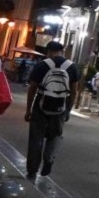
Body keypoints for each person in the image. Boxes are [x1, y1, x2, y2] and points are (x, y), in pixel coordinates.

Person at [24, 41, 80, 179]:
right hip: (60, 107)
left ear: (48, 51)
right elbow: (74, 91)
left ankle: (32, 169)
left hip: (40, 106)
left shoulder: (42, 65)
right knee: (55, 135)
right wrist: (68, 110)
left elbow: (32, 88)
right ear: (62, 51)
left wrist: (28, 109)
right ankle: (49, 159)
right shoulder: (71, 67)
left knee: (36, 138)